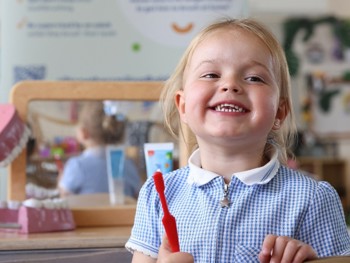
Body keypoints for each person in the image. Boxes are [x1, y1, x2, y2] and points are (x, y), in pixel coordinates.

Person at [125, 18, 350, 262]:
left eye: (254, 78)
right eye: (211, 74)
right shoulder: (158, 195)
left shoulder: (313, 198)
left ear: (280, 112)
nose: (230, 85)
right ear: (183, 107)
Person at [58, 101, 141, 199]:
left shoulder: (77, 166)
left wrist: (60, 182)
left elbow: (64, 199)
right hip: (123, 214)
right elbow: (138, 198)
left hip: (87, 215)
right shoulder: (128, 165)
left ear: (83, 133)